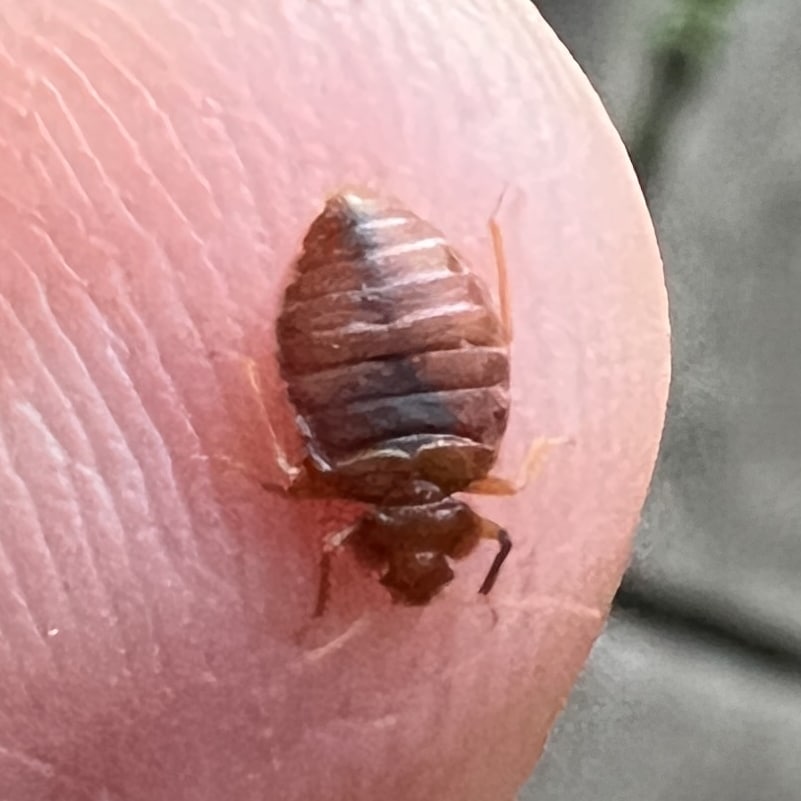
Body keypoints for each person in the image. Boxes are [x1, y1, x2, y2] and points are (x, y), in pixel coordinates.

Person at [0, 2, 669, 799]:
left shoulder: (467, 470)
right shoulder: (435, 484)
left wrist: (254, 383)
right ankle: (492, 236)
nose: (417, 566)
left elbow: (482, 529)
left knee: (462, 368)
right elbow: (452, 534)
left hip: (374, 333)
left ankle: (493, 238)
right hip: (375, 329)